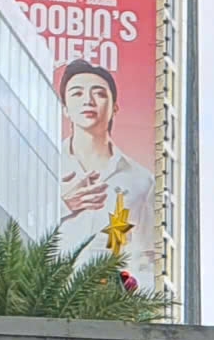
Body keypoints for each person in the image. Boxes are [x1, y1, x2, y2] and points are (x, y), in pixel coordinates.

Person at [54, 58, 161, 292]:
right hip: (49, 296)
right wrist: (63, 204)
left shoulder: (140, 180)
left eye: (99, 93)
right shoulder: (46, 164)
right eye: (77, 93)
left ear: (114, 107)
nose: (88, 101)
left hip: (106, 300)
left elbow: (146, 257)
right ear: (65, 109)